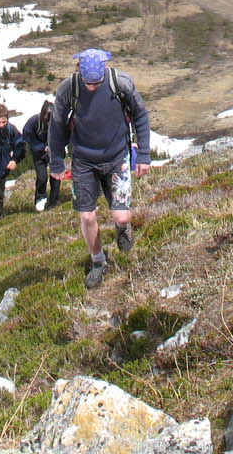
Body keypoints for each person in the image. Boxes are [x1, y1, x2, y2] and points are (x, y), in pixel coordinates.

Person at [49, 48, 150, 289]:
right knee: (86, 215)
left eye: (96, 82)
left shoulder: (121, 84)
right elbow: (57, 126)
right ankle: (98, 262)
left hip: (117, 157)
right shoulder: (68, 89)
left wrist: (144, 154)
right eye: (88, 83)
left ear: (105, 71)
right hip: (84, 161)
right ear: (79, 72)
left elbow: (140, 116)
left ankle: (122, 228)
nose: (92, 87)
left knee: (121, 215)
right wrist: (56, 162)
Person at [22, 100, 61, 211]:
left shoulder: (58, 122)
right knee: (42, 177)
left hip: (54, 153)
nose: (49, 123)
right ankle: (40, 199)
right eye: (47, 120)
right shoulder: (33, 122)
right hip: (38, 154)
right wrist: (41, 147)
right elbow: (26, 137)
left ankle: (54, 202)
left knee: (56, 176)